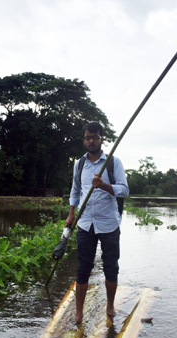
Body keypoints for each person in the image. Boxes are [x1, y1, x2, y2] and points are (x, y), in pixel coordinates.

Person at [65, 122, 129, 323]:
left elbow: (124, 190)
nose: (90, 141)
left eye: (94, 137)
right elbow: (76, 190)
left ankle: (110, 305)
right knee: (83, 267)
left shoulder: (113, 162)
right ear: (84, 139)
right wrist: (71, 213)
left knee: (111, 266)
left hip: (109, 223)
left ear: (102, 139)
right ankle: (79, 312)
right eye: (87, 137)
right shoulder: (80, 164)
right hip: (85, 223)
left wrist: (104, 185)